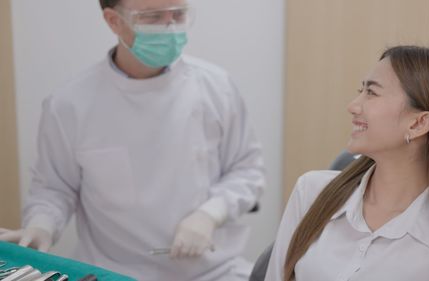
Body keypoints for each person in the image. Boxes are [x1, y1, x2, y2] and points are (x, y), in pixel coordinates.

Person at [0, 0, 265, 280]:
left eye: (178, 14)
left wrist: (211, 214)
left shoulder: (217, 87)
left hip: (213, 271)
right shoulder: (69, 105)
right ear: (114, 21)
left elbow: (247, 169)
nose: (170, 27)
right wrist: (41, 226)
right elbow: (54, 188)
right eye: (152, 17)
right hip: (112, 272)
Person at [265, 46, 429, 281]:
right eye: (361, 90)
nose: (354, 106)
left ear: (418, 124)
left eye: (372, 93)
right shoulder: (312, 192)